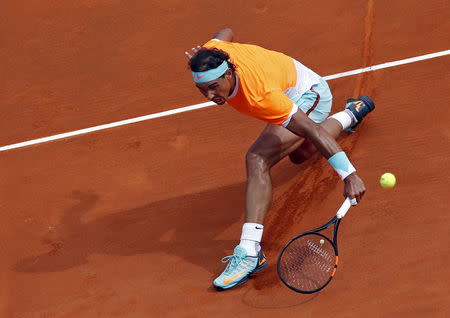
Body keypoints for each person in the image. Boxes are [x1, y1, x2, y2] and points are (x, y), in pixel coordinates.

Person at [185, 28, 374, 291]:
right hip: (285, 87)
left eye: (213, 87)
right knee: (301, 155)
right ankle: (351, 114)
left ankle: (249, 252)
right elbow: (225, 32)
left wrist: (349, 175)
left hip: (309, 95)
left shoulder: (260, 95)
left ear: (228, 73)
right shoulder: (215, 54)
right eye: (201, 89)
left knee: (257, 157)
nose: (209, 96)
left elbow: (313, 130)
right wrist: (204, 51)